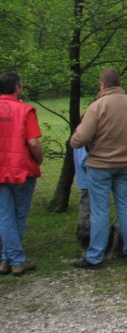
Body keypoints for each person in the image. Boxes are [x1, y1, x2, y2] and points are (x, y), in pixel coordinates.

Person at [69, 68, 127, 269]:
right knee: (125, 207)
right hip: (126, 165)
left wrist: (74, 141)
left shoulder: (97, 107)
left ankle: (95, 256)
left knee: (99, 211)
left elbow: (81, 138)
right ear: (119, 83)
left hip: (100, 167)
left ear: (102, 85)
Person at [0, 72, 43, 276]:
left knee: (5, 216)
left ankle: (6, 260)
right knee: (18, 215)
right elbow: (33, 142)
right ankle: (16, 260)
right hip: (21, 168)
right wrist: (39, 159)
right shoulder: (25, 110)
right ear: (17, 87)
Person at [73, 146, 90, 223]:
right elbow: (84, 161)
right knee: (87, 210)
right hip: (89, 181)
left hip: (89, 181)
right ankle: (86, 232)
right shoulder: (83, 139)